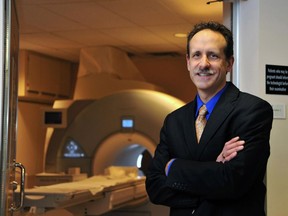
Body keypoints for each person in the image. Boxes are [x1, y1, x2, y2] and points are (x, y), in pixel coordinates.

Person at [145, 21, 273, 216]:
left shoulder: (253, 111)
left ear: (229, 63)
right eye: (196, 55)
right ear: (188, 62)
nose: (203, 64)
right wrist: (214, 169)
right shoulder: (174, 120)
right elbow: (154, 186)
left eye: (213, 55)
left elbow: (233, 182)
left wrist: (173, 167)